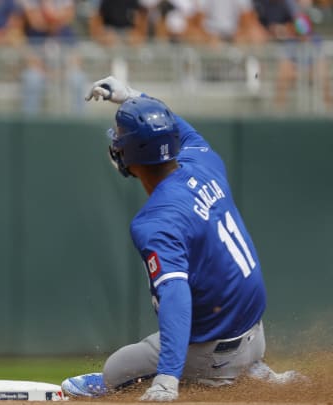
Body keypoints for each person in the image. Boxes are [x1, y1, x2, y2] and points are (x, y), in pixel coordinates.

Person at [61, 76, 301, 401]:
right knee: (182, 336)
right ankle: (252, 369)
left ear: (129, 156)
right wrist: (133, 96)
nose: (115, 140)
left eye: (119, 137)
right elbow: (175, 128)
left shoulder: (155, 221)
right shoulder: (203, 161)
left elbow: (175, 295)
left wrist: (167, 378)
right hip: (255, 335)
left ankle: (225, 375)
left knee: (115, 371)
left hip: (214, 353)